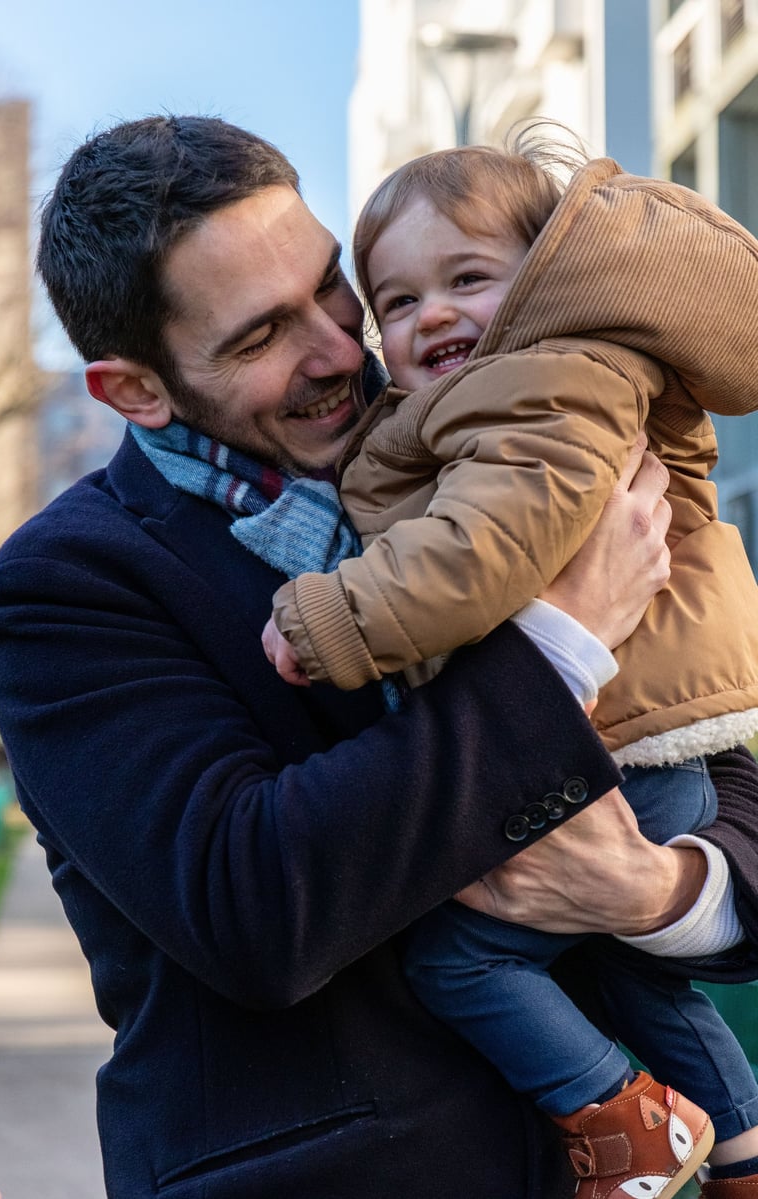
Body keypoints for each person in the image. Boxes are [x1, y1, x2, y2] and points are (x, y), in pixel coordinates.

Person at [0, 116, 757, 1199]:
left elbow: (713, 748)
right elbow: (251, 901)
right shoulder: (70, 584)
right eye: (262, 337)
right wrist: (560, 641)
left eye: (334, 288)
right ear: (134, 391)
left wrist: (666, 890)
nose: (344, 350)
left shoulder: (482, 441)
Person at [261, 138, 758, 1196]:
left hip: (620, 739)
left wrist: (331, 619)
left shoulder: (546, 383)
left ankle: (623, 1119)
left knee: (465, 957)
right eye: (396, 299)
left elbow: (485, 549)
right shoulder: (487, 398)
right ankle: (743, 1144)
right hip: (634, 734)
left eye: (469, 279)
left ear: (540, 281)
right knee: (623, 965)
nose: (430, 314)